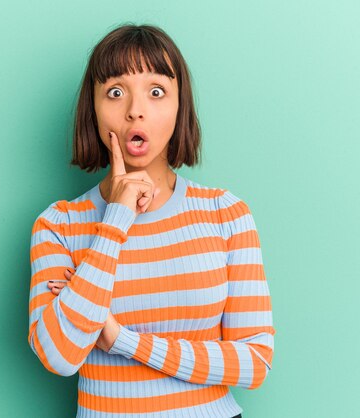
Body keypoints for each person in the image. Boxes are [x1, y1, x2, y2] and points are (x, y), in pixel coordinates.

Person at [28, 23, 275, 418]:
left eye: (156, 91)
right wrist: (116, 220)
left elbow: (255, 361)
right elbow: (59, 355)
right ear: (92, 110)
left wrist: (124, 340)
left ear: (180, 107)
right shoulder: (59, 226)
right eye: (115, 92)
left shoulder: (226, 214)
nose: (135, 110)